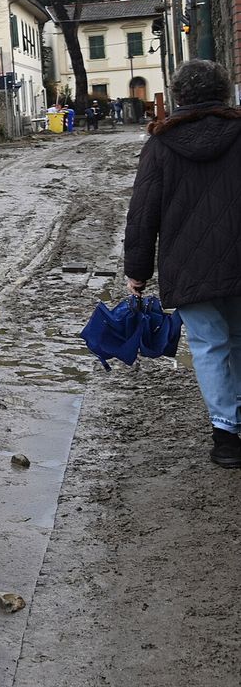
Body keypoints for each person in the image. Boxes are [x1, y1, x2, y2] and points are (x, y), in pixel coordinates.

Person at [125, 59, 241, 467]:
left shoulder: (160, 145)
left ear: (178, 96)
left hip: (189, 266)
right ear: (224, 91)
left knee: (210, 346)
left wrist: (137, 271)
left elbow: (143, 212)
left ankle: (227, 435)